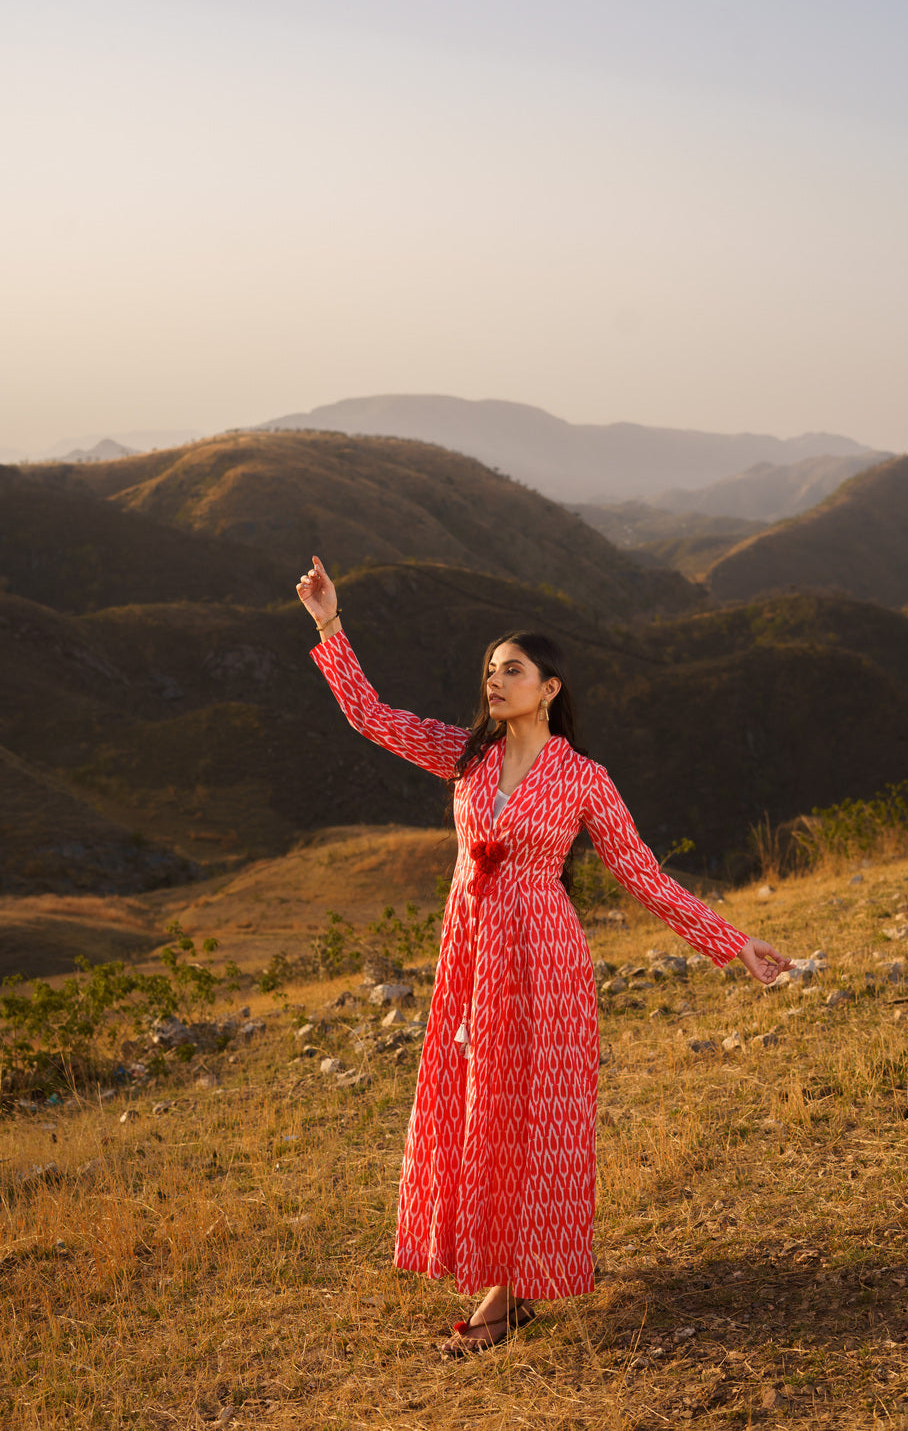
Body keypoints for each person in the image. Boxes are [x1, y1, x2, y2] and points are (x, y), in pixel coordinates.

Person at [296, 556, 791, 1357]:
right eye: (490, 670)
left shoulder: (584, 778)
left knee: (537, 1117)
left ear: (550, 688)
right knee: (476, 1111)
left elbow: (642, 874)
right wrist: (329, 622)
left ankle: (506, 1295)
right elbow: (371, 716)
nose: (495, 682)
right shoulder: (465, 755)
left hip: (544, 960)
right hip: (472, 953)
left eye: (513, 671)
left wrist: (734, 942)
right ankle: (507, 1269)